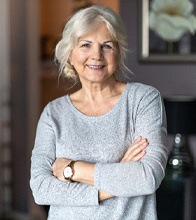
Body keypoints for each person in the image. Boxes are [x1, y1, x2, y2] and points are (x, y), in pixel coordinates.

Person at [30, 5, 168, 220]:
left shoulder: (143, 100)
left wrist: (73, 170)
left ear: (118, 52)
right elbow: (41, 189)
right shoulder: (53, 113)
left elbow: (148, 177)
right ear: (69, 54)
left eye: (107, 46)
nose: (96, 55)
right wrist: (118, 176)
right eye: (85, 45)